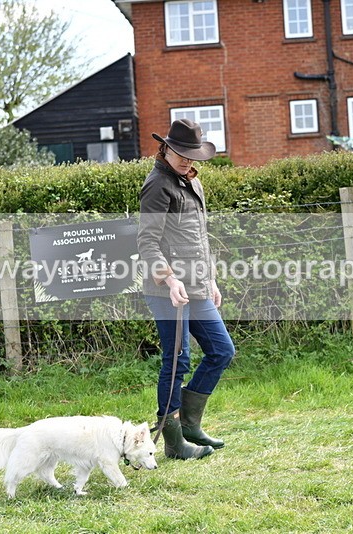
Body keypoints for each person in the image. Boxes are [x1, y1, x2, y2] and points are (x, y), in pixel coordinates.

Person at [137, 118, 235, 460]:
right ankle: (174, 441)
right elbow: (147, 241)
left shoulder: (191, 181)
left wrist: (210, 279)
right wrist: (169, 278)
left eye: (192, 155)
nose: (187, 160)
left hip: (197, 285)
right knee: (177, 361)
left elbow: (199, 237)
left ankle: (190, 423)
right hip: (167, 291)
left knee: (221, 351)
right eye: (181, 153)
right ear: (165, 148)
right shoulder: (157, 185)